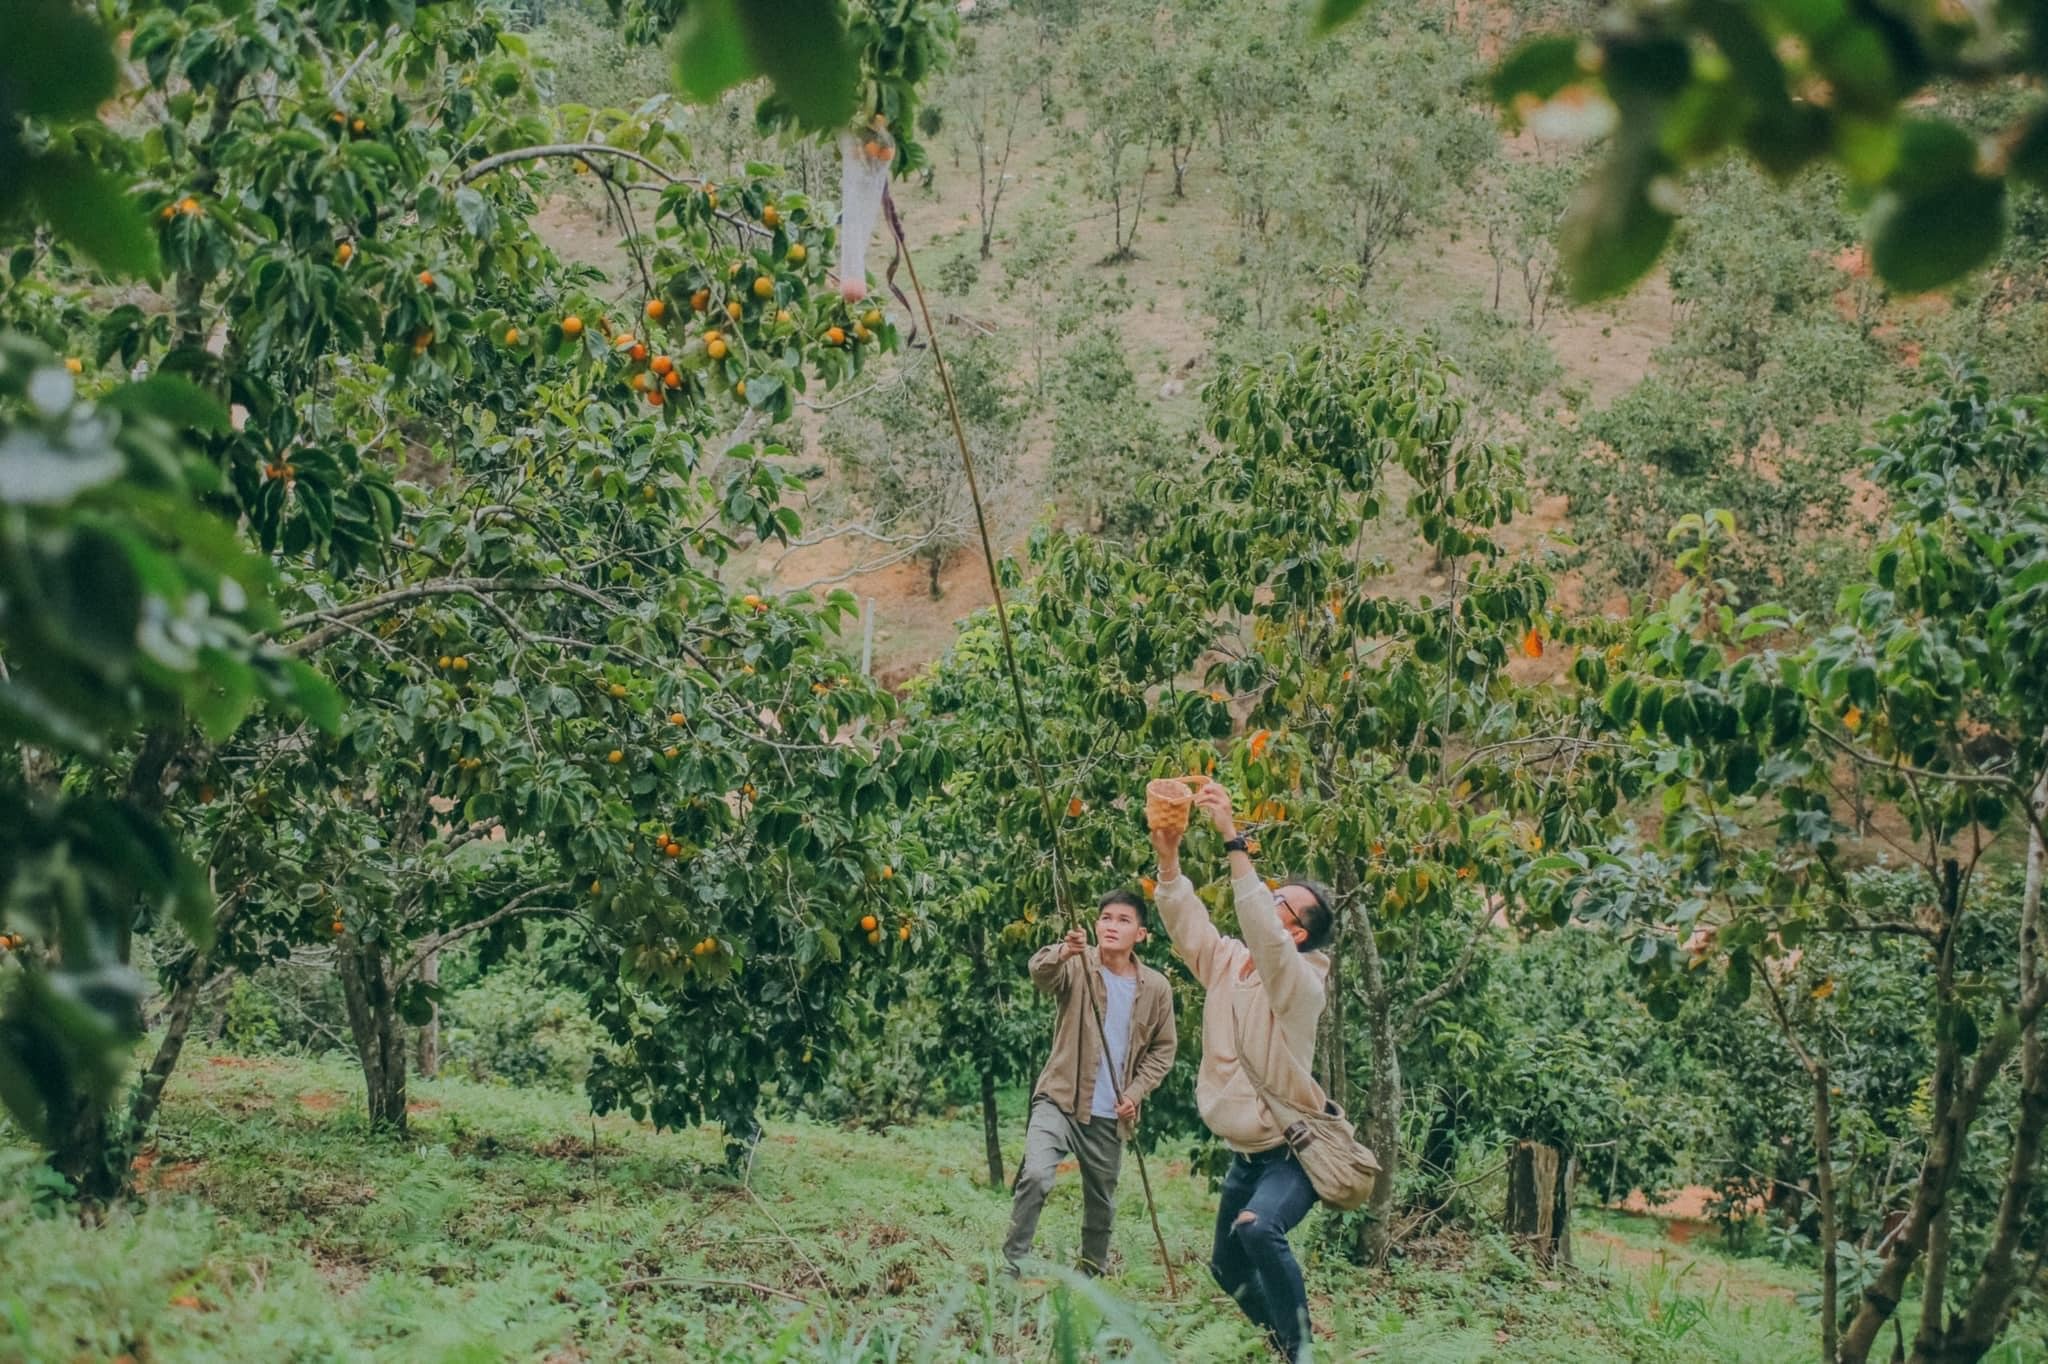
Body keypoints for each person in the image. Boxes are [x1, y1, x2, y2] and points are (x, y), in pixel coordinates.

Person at [1150, 780, 1336, 1363]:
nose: (1266, 904)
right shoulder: (1231, 964)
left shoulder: (1303, 986)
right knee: (1226, 1269)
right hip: (1244, 1157)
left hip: (1292, 1150)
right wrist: (1169, 853)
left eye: (1280, 904)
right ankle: (1286, 1343)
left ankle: (1302, 1354)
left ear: (1297, 932)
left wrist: (1234, 837)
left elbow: (1266, 936)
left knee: (1259, 1229)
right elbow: (1189, 927)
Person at [1001, 889, 1178, 1278]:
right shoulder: (1079, 964)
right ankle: (1010, 1268)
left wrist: (1134, 1093)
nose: (1112, 926)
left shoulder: (1156, 988)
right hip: (1060, 1099)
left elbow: (1163, 1051)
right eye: (1106, 918)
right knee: (1035, 1176)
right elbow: (1041, 973)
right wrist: (1065, 951)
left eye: (1123, 920)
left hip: (1110, 1114)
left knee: (1101, 1203)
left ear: (1142, 934)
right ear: (1096, 925)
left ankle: (1090, 1278)